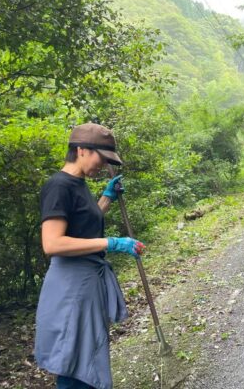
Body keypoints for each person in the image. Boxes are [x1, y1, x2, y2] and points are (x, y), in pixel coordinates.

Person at [35, 123, 146, 389]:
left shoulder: (79, 184)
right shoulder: (58, 186)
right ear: (82, 150)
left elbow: (82, 228)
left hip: (86, 283)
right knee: (75, 360)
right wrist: (113, 242)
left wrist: (106, 198)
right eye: (102, 158)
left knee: (88, 353)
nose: (103, 165)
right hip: (70, 287)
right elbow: (52, 243)